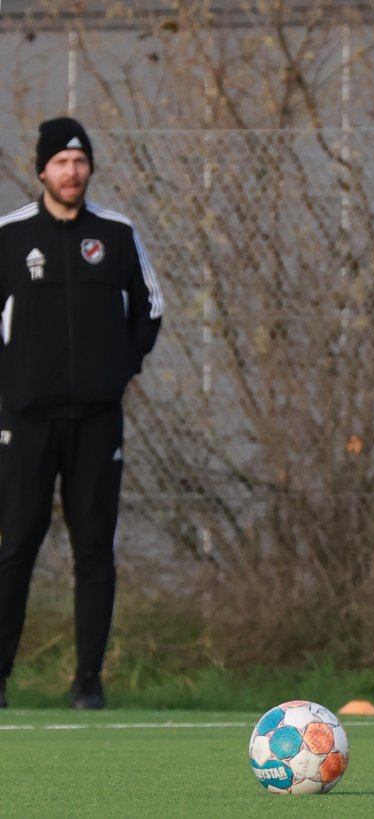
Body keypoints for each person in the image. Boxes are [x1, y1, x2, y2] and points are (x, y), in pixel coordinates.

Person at [0, 117, 164, 709]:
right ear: (42, 169)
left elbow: (151, 307)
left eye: (80, 161)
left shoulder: (115, 234)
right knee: (16, 544)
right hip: (25, 420)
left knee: (94, 549)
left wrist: (118, 368)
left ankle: (88, 682)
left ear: (89, 168)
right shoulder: (10, 236)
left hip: (97, 420)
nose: (72, 171)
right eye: (61, 162)